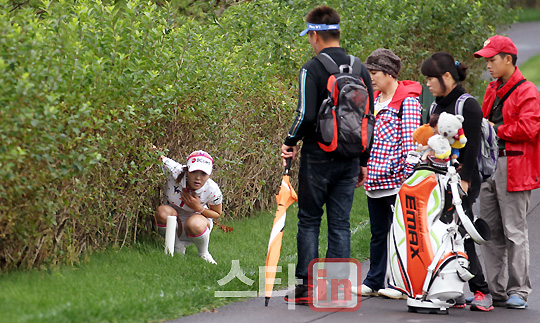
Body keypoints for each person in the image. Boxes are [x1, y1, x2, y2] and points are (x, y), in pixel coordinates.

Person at [280, 5, 374, 305]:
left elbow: (306, 115)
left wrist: (289, 141)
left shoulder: (312, 68)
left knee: (309, 220)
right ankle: (335, 291)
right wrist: (363, 162)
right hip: (350, 158)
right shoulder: (359, 69)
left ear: (315, 36)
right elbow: (367, 118)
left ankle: (306, 289)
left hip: (318, 157)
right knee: (340, 223)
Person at [420, 52, 494, 311]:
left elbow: (471, 148)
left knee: (461, 233)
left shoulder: (468, 105)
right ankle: (451, 290)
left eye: (431, 78)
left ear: (447, 77)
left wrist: (463, 182)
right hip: (437, 181)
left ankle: (481, 290)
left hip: (463, 181)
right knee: (440, 235)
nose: (427, 84)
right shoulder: (434, 105)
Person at [474, 35, 540, 309]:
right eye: (486, 60)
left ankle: (519, 290)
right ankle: (495, 288)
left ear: (508, 59)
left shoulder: (528, 91)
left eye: (492, 59)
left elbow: (530, 129)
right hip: (490, 165)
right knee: (489, 230)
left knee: (515, 231)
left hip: (514, 166)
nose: (488, 64)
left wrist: (494, 129)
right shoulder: (492, 88)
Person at [359, 48, 422, 300]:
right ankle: (374, 281)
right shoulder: (372, 100)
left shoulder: (407, 101)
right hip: (374, 181)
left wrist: (408, 179)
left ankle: (401, 283)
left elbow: (411, 145)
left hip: (398, 183)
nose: (370, 78)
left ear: (389, 73)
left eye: (374, 73)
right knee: (378, 233)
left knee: (402, 235)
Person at [155, 150, 223, 265]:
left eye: (203, 174)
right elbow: (156, 155)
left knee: (195, 223)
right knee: (161, 212)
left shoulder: (213, 189)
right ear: (187, 170)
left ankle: (203, 253)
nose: (198, 177)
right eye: (194, 171)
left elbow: (217, 213)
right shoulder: (175, 170)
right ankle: (177, 247)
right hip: (174, 221)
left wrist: (198, 207)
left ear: (209, 174)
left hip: (197, 223)